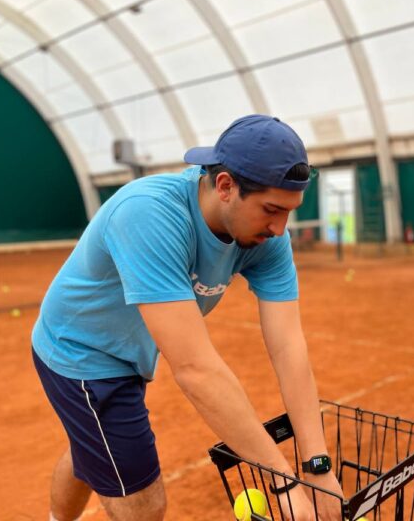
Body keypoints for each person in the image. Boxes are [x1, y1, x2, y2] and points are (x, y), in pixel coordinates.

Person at [32, 115, 343, 521]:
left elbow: (289, 347)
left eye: (290, 211)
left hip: (132, 351)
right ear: (226, 185)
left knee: (91, 448)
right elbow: (196, 369)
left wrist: (316, 467)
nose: (280, 227)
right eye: (271, 209)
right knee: (144, 506)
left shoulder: (268, 238)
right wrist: (283, 480)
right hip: (81, 352)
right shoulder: (149, 215)